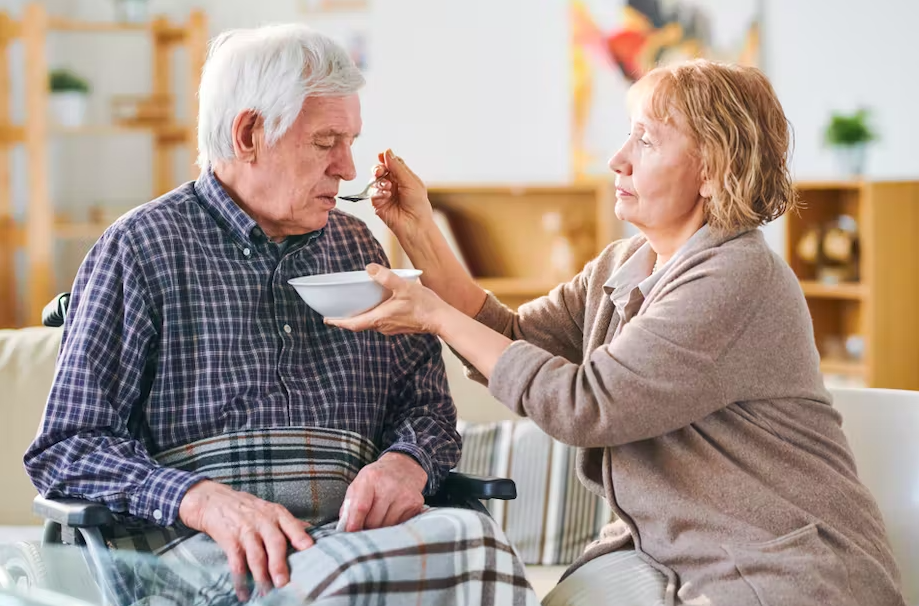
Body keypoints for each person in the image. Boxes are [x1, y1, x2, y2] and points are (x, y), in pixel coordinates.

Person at [328, 59, 906, 606]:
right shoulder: (623, 264)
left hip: (774, 570)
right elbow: (511, 338)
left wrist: (432, 313)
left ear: (713, 171)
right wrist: (421, 230)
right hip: (672, 556)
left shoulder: (738, 275)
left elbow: (587, 405)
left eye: (646, 140)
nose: (617, 159)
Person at [24, 23, 538, 606]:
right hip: (198, 548)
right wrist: (201, 499)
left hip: (353, 537)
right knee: (344, 580)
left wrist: (406, 464)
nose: (348, 167)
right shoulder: (140, 250)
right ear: (249, 133)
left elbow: (425, 407)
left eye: (351, 141)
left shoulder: (357, 248)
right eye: (326, 142)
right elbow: (66, 448)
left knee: (480, 541)